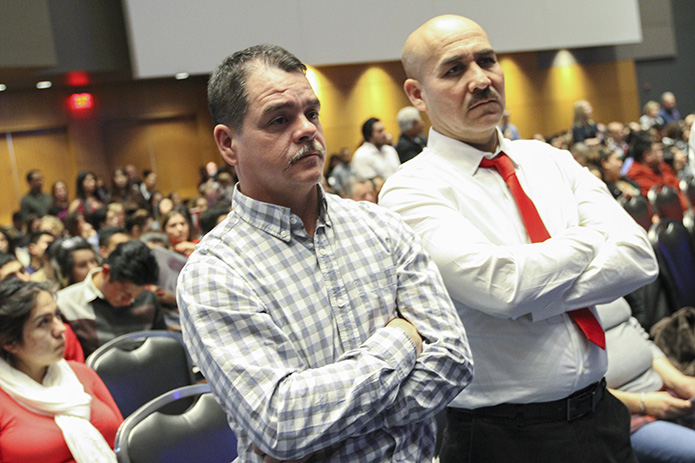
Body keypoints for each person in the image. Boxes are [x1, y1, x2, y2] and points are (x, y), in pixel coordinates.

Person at [379, 15, 659, 463]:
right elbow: (503, 288)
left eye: (486, 61)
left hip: (602, 415)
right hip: (504, 438)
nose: (480, 80)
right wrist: (588, 238)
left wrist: (539, 297)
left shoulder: (549, 159)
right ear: (417, 95)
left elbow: (638, 257)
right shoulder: (410, 190)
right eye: (454, 70)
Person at [177, 44, 473, 463]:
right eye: (279, 120)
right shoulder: (215, 274)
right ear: (228, 145)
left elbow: (454, 362)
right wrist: (401, 340)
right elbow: (282, 423)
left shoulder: (381, 227)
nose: (306, 131)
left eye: (311, 114)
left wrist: (321, 433)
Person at [0, 279, 121, 463]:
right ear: (9, 342)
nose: (60, 329)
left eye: (57, 316)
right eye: (43, 322)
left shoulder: (81, 373)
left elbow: (123, 441)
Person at [598, 297, 695, 463]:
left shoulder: (603, 281)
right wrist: (644, 402)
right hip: (619, 413)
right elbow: (577, 389)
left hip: (662, 389)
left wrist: (680, 382)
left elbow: (641, 337)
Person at [57, 240, 164, 356]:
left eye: (136, 296)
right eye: (125, 293)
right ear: (106, 272)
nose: (129, 301)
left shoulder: (147, 299)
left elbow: (161, 347)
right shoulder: (66, 304)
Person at [625, 131, 688, 211]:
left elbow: (677, 184)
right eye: (658, 151)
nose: (661, 154)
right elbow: (664, 201)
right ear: (647, 156)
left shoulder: (660, 166)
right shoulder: (637, 175)